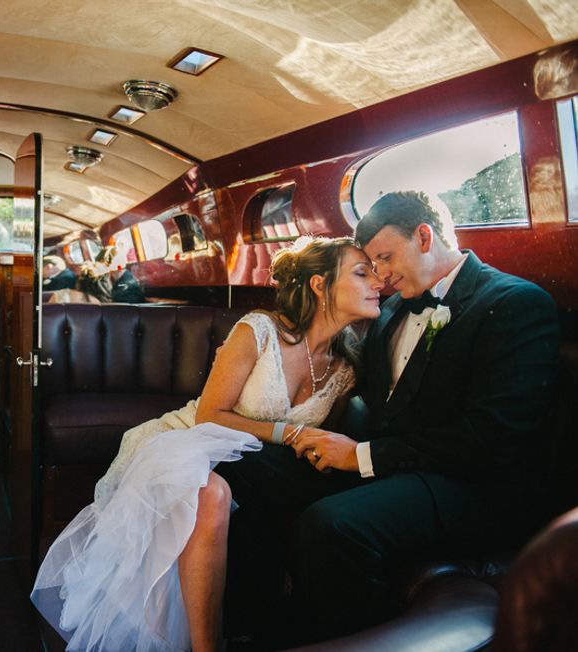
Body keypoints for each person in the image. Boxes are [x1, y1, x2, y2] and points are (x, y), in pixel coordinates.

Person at [209, 191, 559, 645]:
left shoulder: (515, 302)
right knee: (243, 463)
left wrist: (361, 457)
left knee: (331, 524)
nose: (380, 274)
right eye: (372, 264)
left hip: (468, 484)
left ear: (424, 236)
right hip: (392, 468)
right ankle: (253, 627)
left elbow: (493, 439)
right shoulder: (390, 309)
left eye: (386, 257)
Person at [31, 236, 384, 652]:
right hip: (189, 441)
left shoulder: (345, 370)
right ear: (320, 285)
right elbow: (210, 415)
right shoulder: (259, 330)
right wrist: (290, 433)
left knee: (237, 502)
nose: (377, 282)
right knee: (208, 493)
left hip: (257, 467)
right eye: (362, 273)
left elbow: (318, 446)